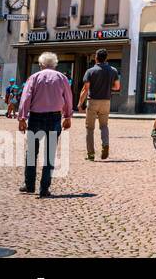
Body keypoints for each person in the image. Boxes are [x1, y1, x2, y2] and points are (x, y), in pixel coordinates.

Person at [17, 52, 73, 198]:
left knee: (31, 153)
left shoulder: (34, 77)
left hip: (36, 118)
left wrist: (22, 118)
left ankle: (29, 185)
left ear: (41, 65)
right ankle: (44, 188)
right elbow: (68, 98)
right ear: (55, 65)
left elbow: (26, 98)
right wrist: (67, 116)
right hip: (54, 118)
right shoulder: (62, 78)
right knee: (49, 154)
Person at [77, 48, 120, 161]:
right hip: (106, 101)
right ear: (106, 58)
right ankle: (105, 145)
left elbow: (85, 89)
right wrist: (107, 86)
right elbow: (117, 87)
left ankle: (91, 154)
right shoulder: (113, 70)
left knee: (89, 128)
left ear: (96, 58)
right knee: (104, 126)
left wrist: (80, 103)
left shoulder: (90, 71)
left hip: (93, 101)